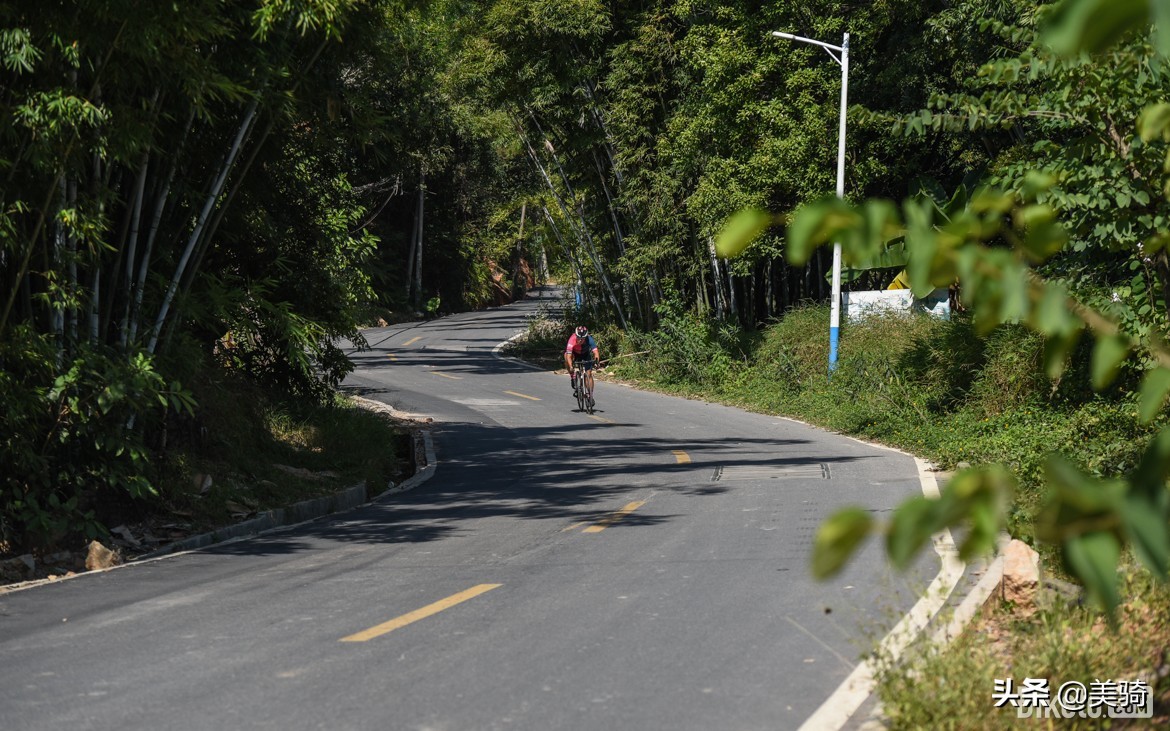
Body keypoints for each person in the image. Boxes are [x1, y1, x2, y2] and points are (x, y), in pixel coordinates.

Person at [565, 325, 600, 400]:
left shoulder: (589, 339)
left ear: (586, 337)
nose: (580, 340)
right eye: (578, 338)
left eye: (582, 339)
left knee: (589, 374)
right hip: (575, 354)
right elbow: (568, 355)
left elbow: (596, 352)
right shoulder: (572, 339)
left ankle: (590, 395)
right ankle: (573, 376)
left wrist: (597, 362)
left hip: (585, 355)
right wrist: (571, 366)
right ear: (576, 335)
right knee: (565, 356)